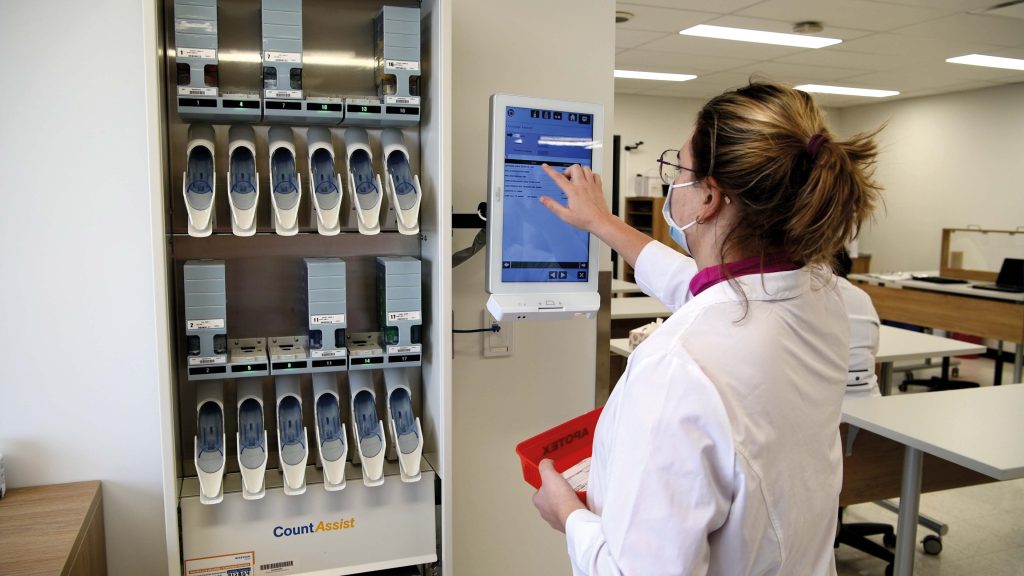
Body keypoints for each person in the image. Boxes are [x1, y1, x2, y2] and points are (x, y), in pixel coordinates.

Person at [531, 81, 882, 575]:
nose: (672, 180)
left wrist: (567, 516)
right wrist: (603, 223)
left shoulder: (678, 366)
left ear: (709, 197)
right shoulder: (822, 296)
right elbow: (705, 290)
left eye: (678, 168)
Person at [835, 250, 882, 397]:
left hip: (831, 407)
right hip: (870, 399)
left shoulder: (815, 294)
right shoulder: (862, 297)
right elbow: (874, 351)